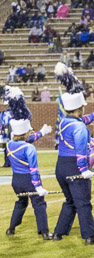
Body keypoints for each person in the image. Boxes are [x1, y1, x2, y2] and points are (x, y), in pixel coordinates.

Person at [52, 63, 94, 244]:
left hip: (61, 167)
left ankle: (59, 232)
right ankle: (90, 236)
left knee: (70, 201)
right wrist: (84, 169)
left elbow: (83, 118)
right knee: (83, 203)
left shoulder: (65, 122)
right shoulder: (80, 127)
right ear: (80, 108)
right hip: (75, 167)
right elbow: (82, 151)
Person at [5, 88, 53, 239]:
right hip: (29, 180)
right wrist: (38, 186)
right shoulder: (29, 148)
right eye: (30, 130)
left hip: (16, 181)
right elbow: (34, 169)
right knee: (39, 203)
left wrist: (41, 133)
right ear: (25, 131)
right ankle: (44, 232)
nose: (31, 132)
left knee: (21, 202)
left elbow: (26, 139)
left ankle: (11, 228)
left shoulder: (10, 144)